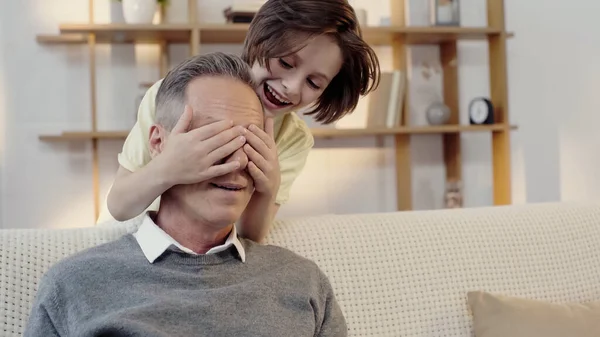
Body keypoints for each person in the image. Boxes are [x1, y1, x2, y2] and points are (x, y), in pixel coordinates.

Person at [24, 52, 347, 337]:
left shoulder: (302, 283)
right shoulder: (73, 286)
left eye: (250, 143)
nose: (236, 160)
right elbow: (120, 204)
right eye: (215, 140)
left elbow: (254, 230)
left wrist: (266, 185)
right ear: (158, 142)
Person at [98, 0, 380, 243]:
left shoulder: (292, 138)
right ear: (261, 40)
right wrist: (169, 167)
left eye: (313, 82)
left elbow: (251, 236)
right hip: (134, 244)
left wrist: (268, 189)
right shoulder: (178, 94)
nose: (292, 87)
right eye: (286, 63)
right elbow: (119, 207)